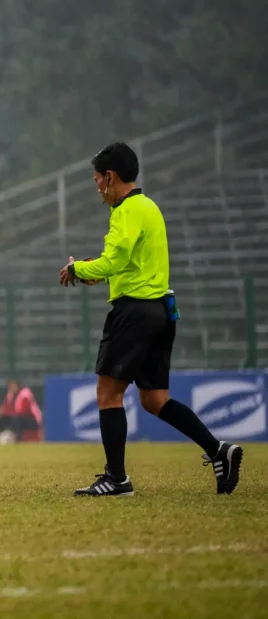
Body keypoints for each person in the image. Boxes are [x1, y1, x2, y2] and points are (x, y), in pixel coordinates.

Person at [61, 142, 242, 496]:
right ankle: (218, 450)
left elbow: (112, 261)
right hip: (161, 310)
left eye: (98, 180)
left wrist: (76, 268)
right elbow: (127, 263)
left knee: (107, 394)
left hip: (134, 313)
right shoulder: (150, 208)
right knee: (154, 399)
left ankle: (117, 478)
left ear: (110, 177)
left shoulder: (126, 211)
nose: (97, 187)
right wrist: (95, 274)